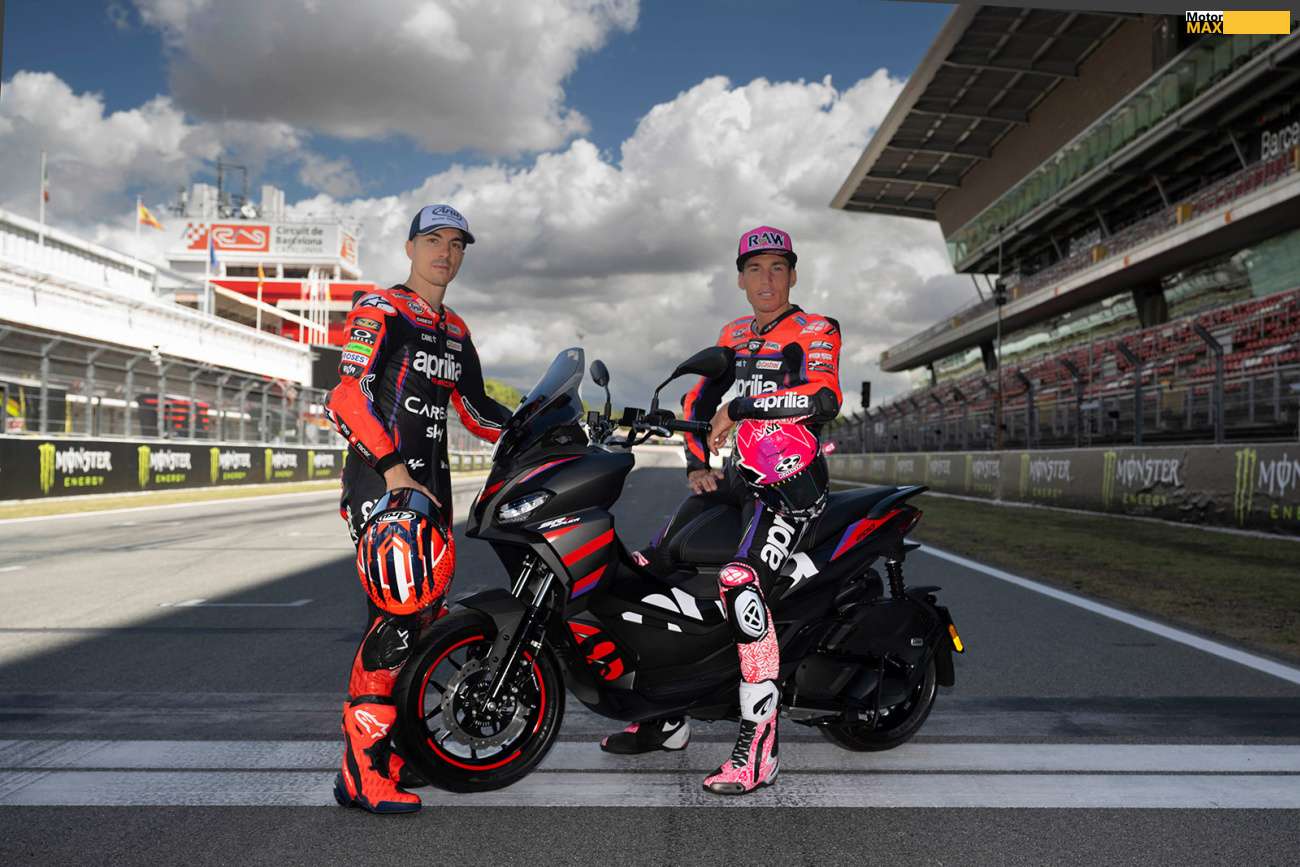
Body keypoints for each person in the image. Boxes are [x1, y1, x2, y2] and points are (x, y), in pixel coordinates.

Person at [602, 225, 842, 796]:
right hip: (737, 475)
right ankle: (667, 716)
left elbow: (824, 397)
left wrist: (742, 407)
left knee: (741, 582)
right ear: (740, 279)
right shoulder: (733, 334)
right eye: (755, 268)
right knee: (649, 567)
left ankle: (760, 748)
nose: (767, 279)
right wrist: (695, 463)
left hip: (792, 482)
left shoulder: (817, 329)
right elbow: (697, 400)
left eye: (778, 267)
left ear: (793, 274)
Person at [326, 204, 513, 813]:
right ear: (410, 247)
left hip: (430, 493)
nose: (445, 253)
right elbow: (346, 398)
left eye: (457, 244)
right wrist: (393, 471)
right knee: (396, 626)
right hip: (384, 487)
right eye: (434, 240)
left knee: (421, 628)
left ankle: (389, 754)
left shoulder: (454, 330)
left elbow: (478, 412)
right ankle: (361, 770)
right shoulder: (379, 309)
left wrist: (541, 425)